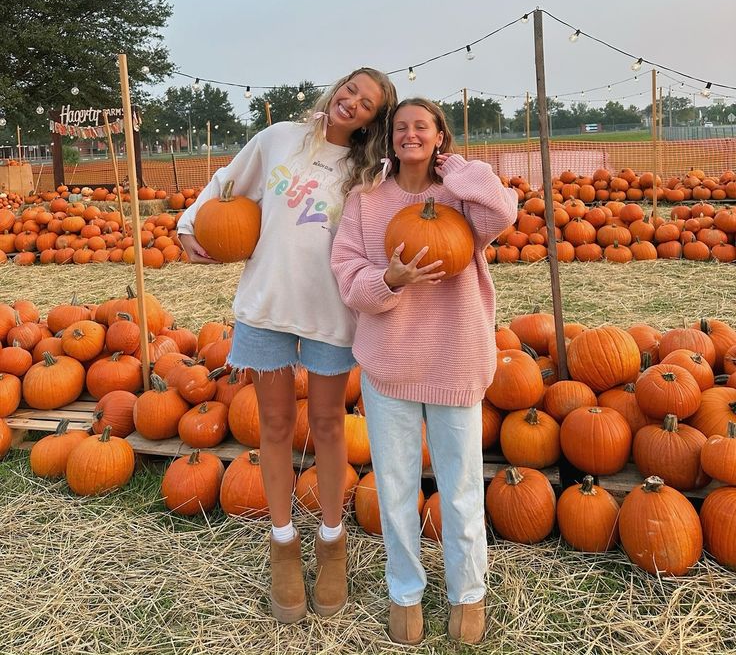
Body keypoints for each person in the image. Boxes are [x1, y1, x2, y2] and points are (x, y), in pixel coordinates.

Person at [177, 68, 398, 623]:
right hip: (267, 304)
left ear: (375, 118)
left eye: (366, 102)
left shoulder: (369, 171)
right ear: (334, 91)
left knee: (326, 427)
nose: (351, 102)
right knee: (272, 426)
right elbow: (226, 183)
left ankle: (330, 542)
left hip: (330, 311)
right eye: (349, 90)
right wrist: (188, 228)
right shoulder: (277, 139)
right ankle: (282, 545)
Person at [330, 98, 518, 646]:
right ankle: (405, 592)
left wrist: (452, 168)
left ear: (440, 135)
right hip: (389, 362)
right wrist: (387, 280)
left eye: (422, 127)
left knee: (461, 488)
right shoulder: (366, 200)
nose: (410, 135)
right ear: (388, 138)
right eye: (401, 128)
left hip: (455, 358)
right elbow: (346, 272)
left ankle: (468, 593)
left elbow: (503, 212)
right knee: (395, 487)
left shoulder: (462, 194)